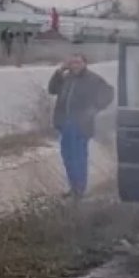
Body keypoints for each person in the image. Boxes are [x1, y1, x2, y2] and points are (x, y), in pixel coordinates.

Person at [48, 54, 114, 198]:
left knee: (78, 157)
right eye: (72, 63)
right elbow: (52, 89)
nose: (75, 65)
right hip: (65, 123)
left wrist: (94, 109)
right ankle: (73, 187)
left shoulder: (93, 79)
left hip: (81, 124)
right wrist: (60, 71)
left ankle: (80, 189)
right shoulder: (66, 78)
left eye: (78, 62)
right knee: (67, 157)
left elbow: (109, 93)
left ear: (85, 63)